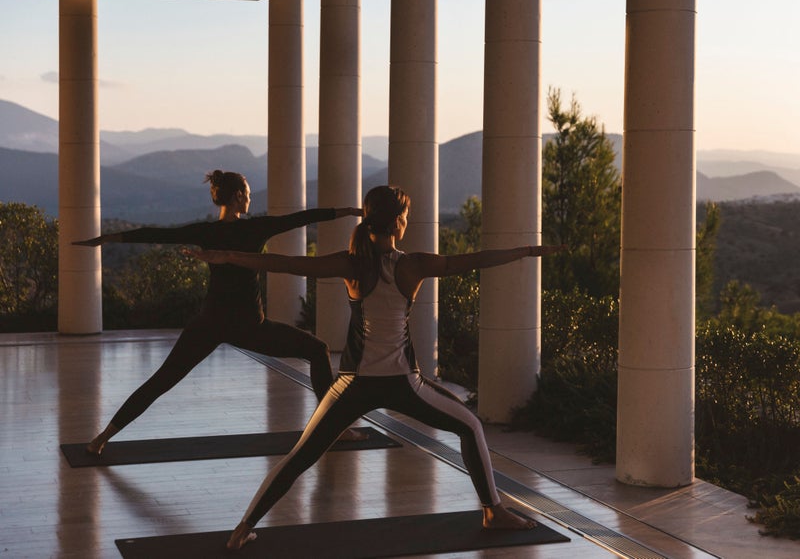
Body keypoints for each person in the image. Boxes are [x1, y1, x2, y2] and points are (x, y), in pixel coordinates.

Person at [191, 185, 564, 550]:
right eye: (406, 216)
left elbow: (286, 264)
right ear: (399, 222)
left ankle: (243, 527)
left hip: (352, 386)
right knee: (470, 426)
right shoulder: (414, 265)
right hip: (404, 383)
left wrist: (227, 257)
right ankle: (492, 511)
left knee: (301, 456)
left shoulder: (352, 263)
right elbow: (473, 259)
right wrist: (528, 251)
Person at [74, 169, 364, 454]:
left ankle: (100, 438)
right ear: (238, 197)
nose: (250, 199)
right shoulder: (255, 228)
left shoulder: (206, 231)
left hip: (210, 322)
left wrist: (107, 239)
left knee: (162, 379)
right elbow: (302, 217)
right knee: (318, 350)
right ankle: (333, 429)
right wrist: (348, 211)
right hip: (250, 326)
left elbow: (156, 233)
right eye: (247, 195)